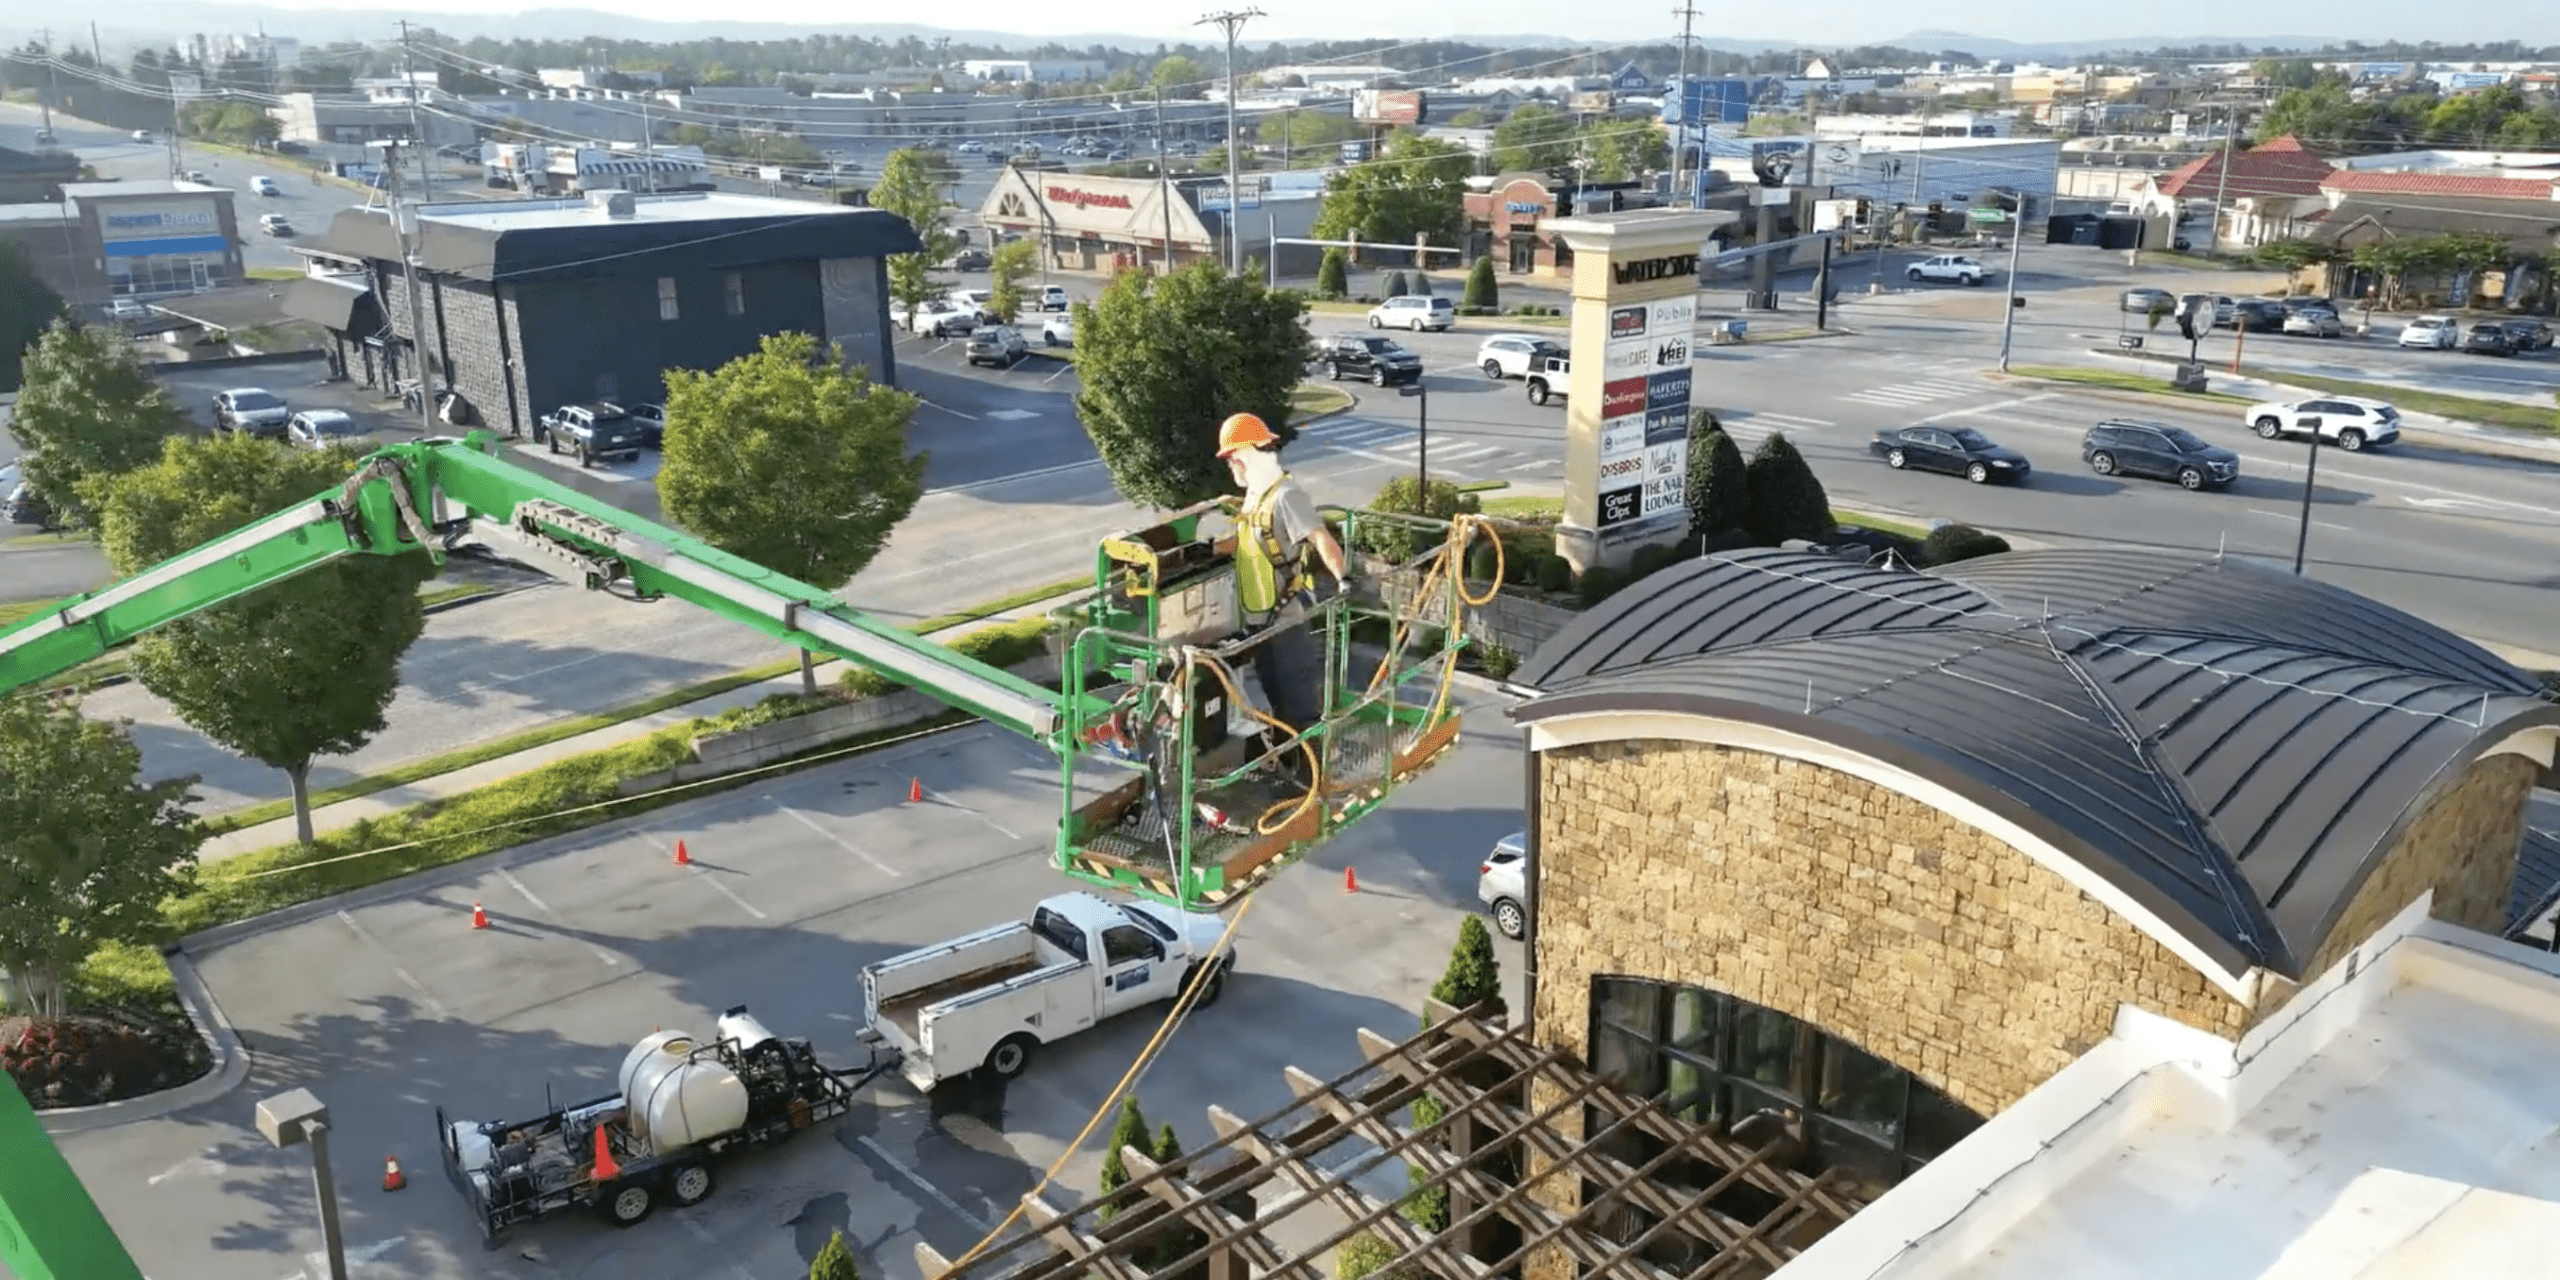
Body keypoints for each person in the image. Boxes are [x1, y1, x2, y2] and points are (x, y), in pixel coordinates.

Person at [1216, 412, 1350, 746]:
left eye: (1231, 458)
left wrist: (1343, 577)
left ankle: (1311, 778)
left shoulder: (1286, 496)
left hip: (1285, 624)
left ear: (1245, 456)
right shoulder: (1255, 496)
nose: (1230, 466)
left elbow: (1321, 538)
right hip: (1260, 625)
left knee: (1300, 711)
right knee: (1278, 706)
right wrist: (1207, 549)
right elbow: (1248, 541)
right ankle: (1293, 769)